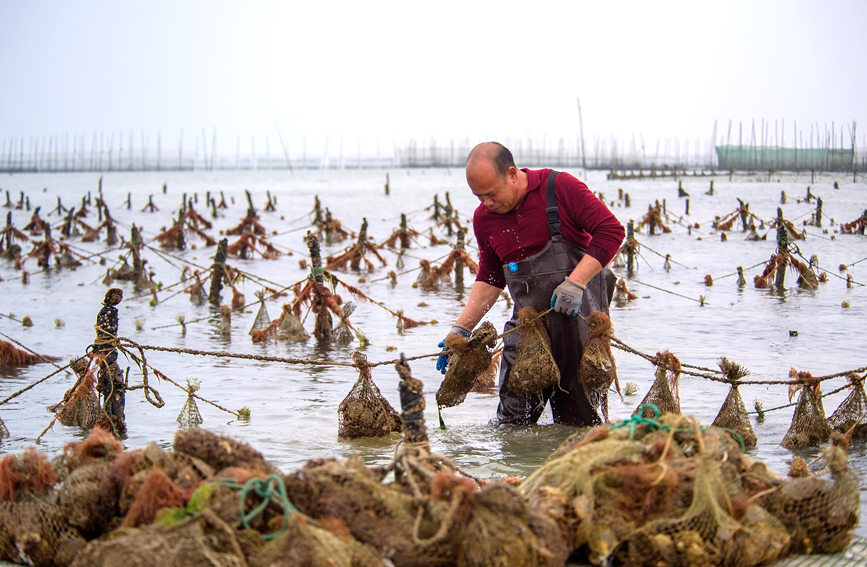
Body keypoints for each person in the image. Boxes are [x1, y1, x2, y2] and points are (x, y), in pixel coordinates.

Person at [436, 142, 624, 426]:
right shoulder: (484, 219)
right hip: (527, 330)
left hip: (579, 331)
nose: (486, 203)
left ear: (512, 173)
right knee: (511, 424)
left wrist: (575, 283)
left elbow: (611, 231)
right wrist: (462, 328)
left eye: (492, 194)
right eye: (478, 196)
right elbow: (491, 276)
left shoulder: (559, 188)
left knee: (579, 424)